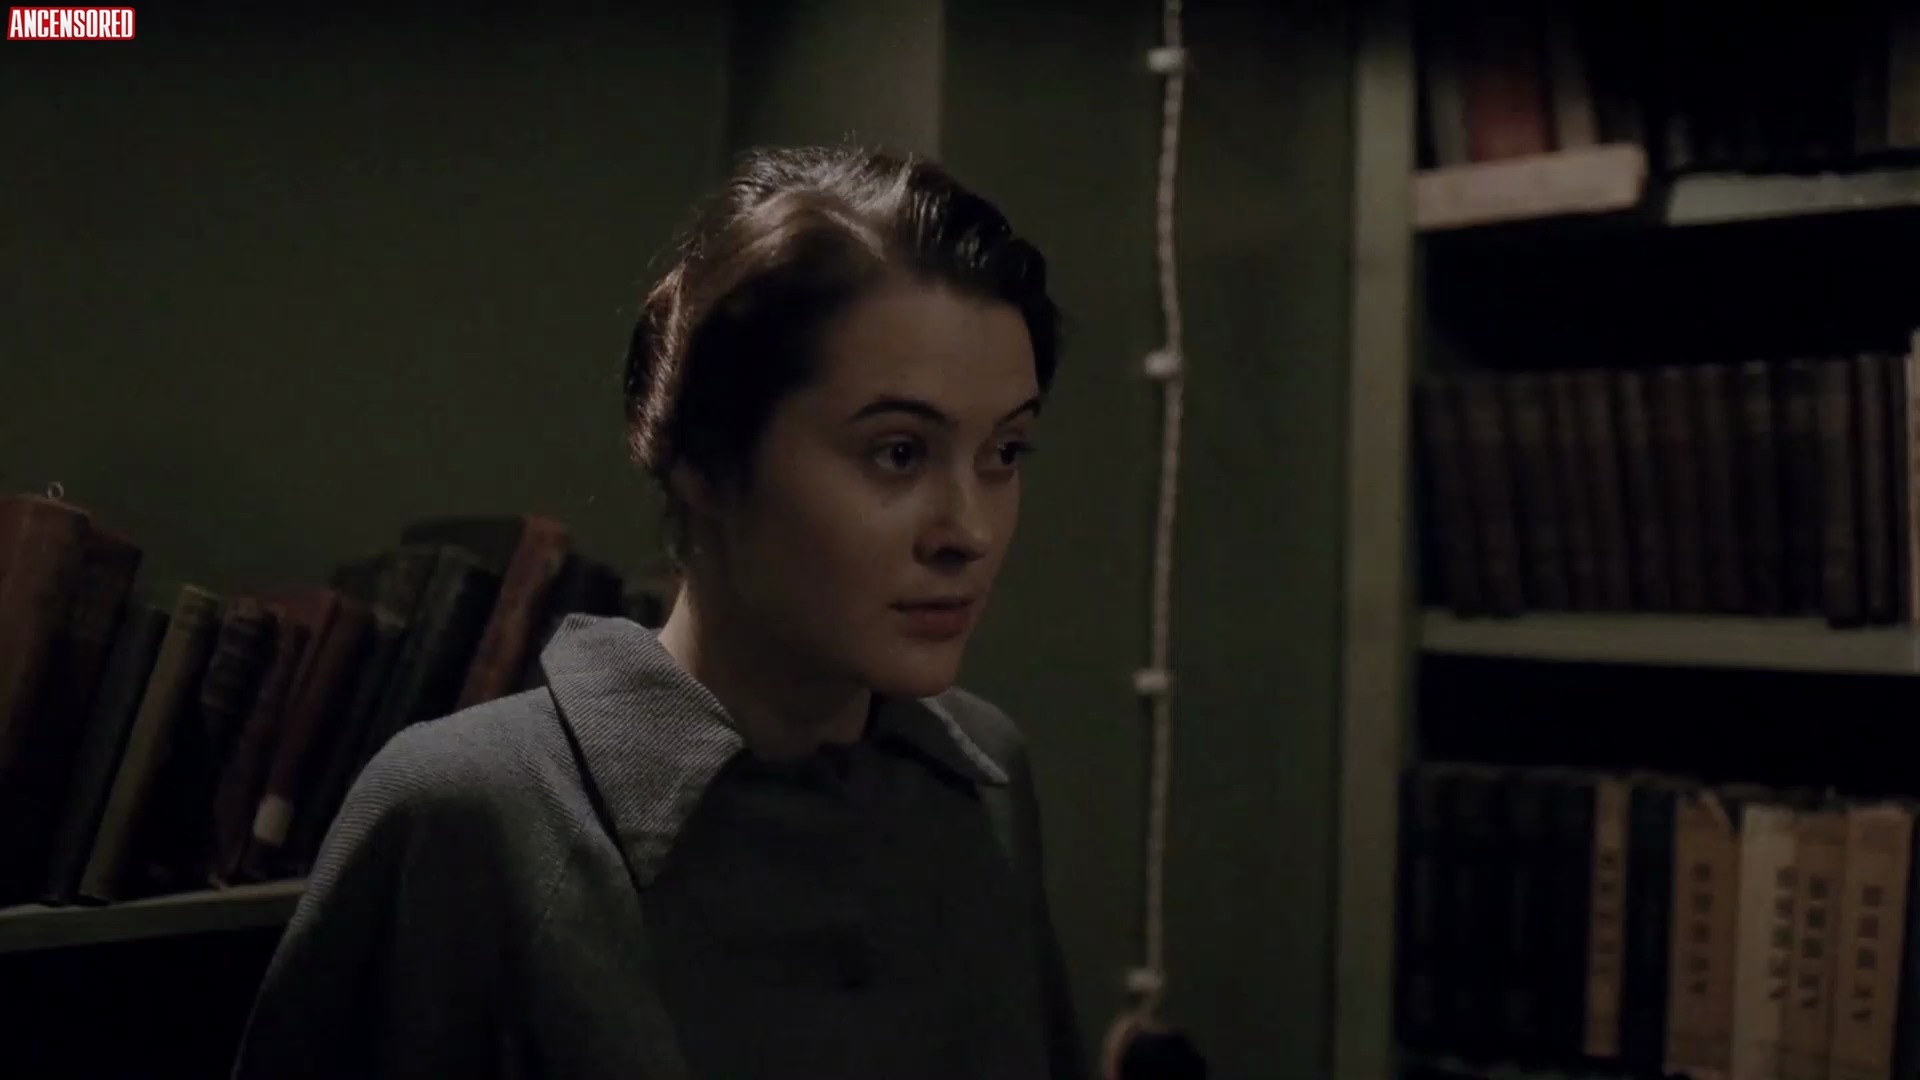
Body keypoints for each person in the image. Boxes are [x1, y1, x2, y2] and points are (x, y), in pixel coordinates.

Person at [231, 146, 1085, 1080]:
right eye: (898, 453)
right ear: (705, 459)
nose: (969, 531)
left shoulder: (982, 776)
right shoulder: (468, 812)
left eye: (1005, 453)